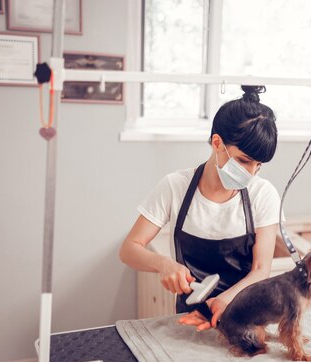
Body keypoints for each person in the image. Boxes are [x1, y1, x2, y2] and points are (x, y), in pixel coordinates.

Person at [119, 85, 280, 331]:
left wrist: (225, 301)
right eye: (244, 161)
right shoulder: (175, 187)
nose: (251, 173)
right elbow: (129, 249)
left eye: (258, 165)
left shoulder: (263, 194)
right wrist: (163, 264)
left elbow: (261, 269)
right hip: (189, 319)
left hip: (246, 316)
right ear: (217, 143)